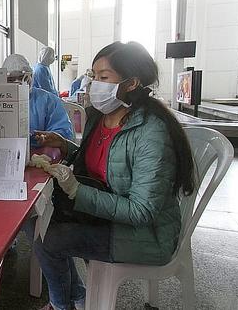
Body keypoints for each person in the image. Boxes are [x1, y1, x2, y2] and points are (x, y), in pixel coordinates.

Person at [28, 41, 196, 310]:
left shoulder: (151, 132)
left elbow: (141, 211)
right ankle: (76, 297)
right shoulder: (101, 117)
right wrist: (65, 146)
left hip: (146, 234)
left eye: (104, 77)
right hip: (108, 210)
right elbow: (100, 163)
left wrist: (76, 191)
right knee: (37, 219)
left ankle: (64, 304)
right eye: (94, 76)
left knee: (48, 240)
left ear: (131, 83)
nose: (95, 85)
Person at [2, 54, 73, 145]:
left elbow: (62, 134)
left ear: (31, 76)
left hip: (41, 154)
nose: (17, 83)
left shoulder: (49, 101)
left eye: (22, 78)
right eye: (11, 79)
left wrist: (45, 139)